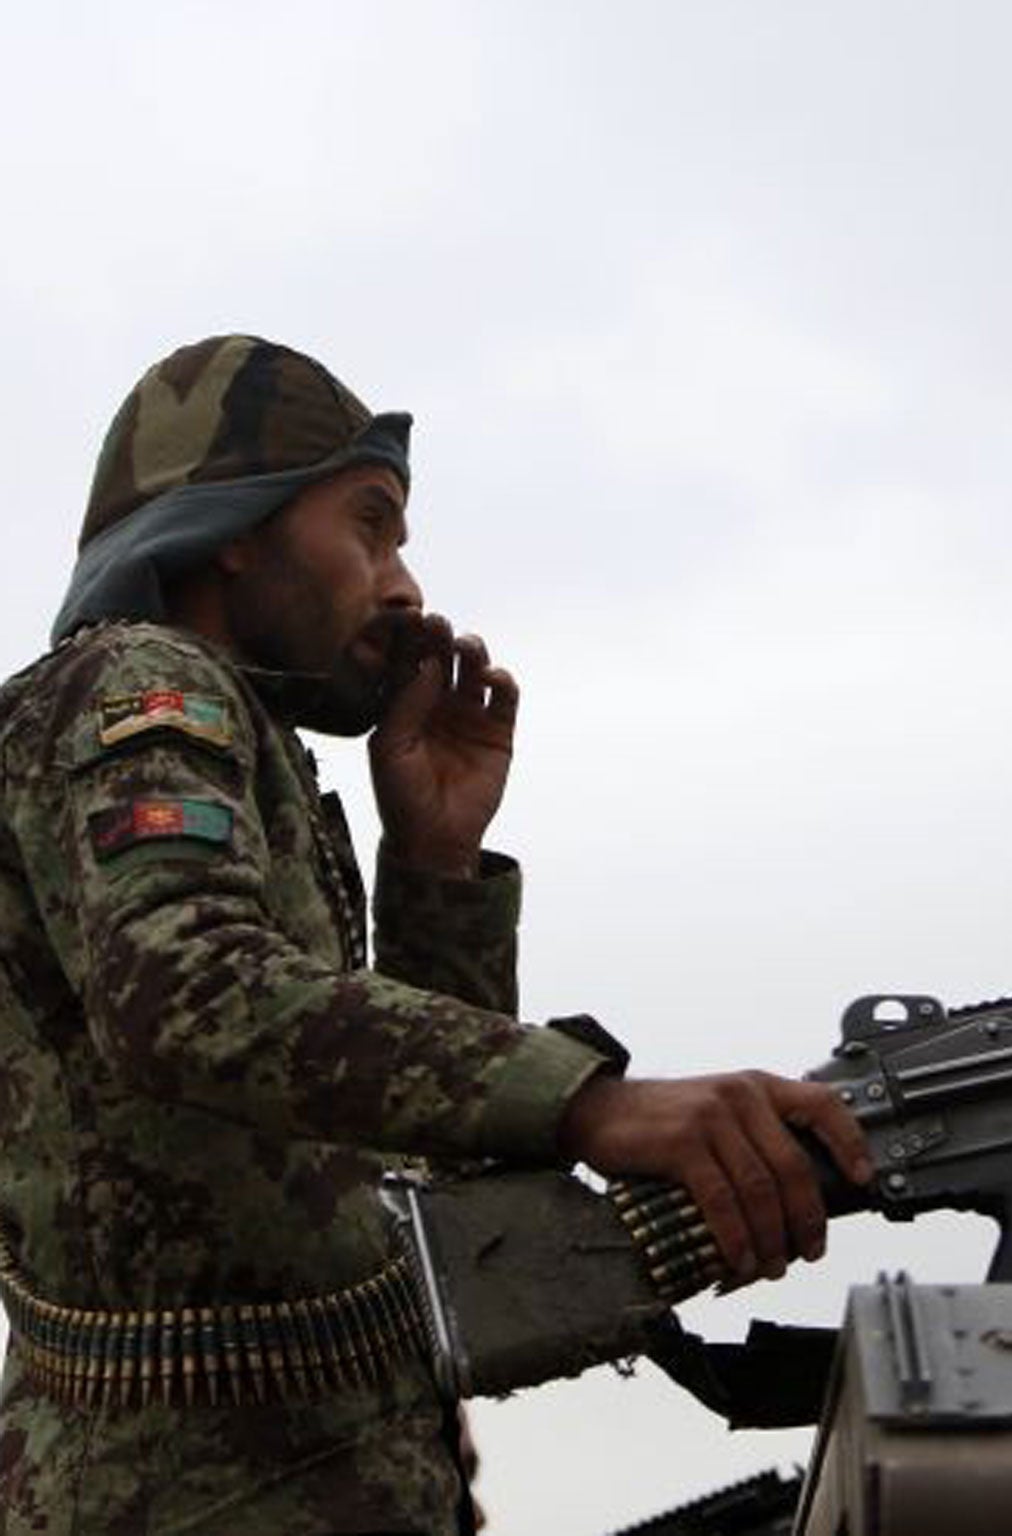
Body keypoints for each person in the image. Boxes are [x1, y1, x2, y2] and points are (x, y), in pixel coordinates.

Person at [0, 335, 871, 1534]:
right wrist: (594, 1103)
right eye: (370, 526)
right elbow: (184, 993)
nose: (403, 586)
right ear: (235, 528)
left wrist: (435, 867)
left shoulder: (260, 756)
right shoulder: (141, 680)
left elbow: (407, 1178)